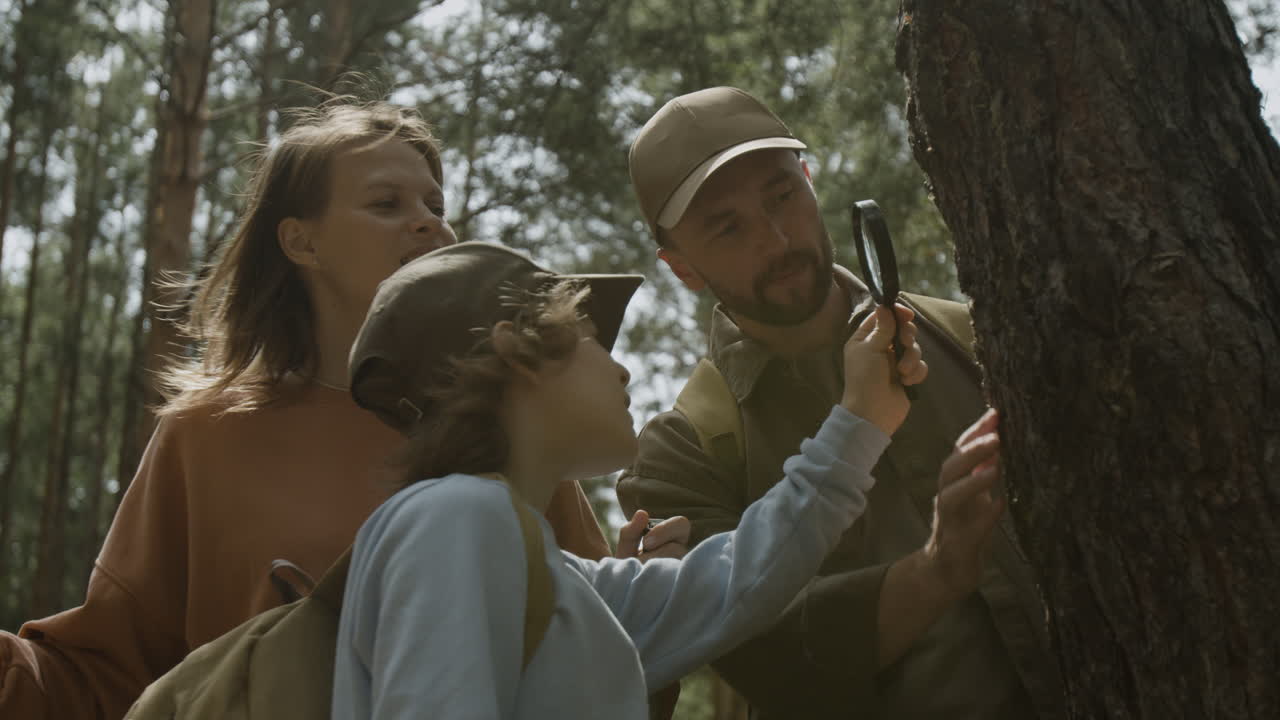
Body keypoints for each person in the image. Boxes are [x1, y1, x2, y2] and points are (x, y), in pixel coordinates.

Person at [0, 98, 620, 720]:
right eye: (387, 205)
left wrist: (658, 572)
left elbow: (610, 642)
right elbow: (106, 670)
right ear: (302, 242)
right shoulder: (206, 434)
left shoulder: (504, 421)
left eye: (436, 206)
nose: (431, 224)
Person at [331, 240, 964, 719]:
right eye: (588, 337)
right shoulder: (454, 517)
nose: (621, 370)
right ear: (516, 353)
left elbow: (740, 578)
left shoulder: (554, 574)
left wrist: (860, 420)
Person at [617, 86, 1065, 718]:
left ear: (808, 178)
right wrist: (938, 571)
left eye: (782, 197)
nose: (775, 239)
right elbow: (762, 654)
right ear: (681, 267)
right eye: (728, 226)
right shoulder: (680, 456)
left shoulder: (974, 337)